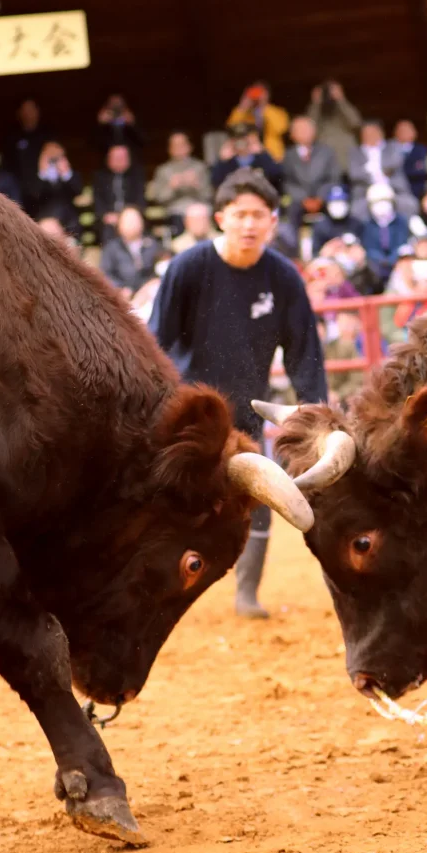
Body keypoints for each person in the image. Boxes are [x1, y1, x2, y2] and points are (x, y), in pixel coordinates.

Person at [149, 168, 327, 620]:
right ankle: (161, 590)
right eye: (240, 214)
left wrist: (314, 414)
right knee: (171, 501)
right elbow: (155, 341)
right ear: (220, 217)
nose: (249, 224)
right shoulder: (188, 268)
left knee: (256, 499)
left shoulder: (283, 277)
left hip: (248, 409)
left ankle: (247, 593)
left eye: (259, 215)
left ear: (272, 221)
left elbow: (304, 349)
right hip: (190, 413)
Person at [282, 116, 340, 233]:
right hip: (299, 201)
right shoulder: (288, 155)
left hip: (324, 199)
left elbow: (334, 177)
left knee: (338, 208)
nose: (304, 132)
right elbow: (287, 182)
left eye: (307, 128)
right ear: (292, 134)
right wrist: (304, 199)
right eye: (300, 129)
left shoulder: (326, 152)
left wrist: (320, 198)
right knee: (288, 211)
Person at [348, 121, 416, 221]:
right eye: (366, 134)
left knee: (410, 205)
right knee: (356, 210)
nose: (370, 136)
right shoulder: (355, 152)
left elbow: (395, 162)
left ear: (380, 133)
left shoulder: (392, 146)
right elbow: (354, 174)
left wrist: (372, 169)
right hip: (366, 191)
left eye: (373, 132)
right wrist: (376, 175)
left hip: (394, 189)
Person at [150, 132, 212, 234]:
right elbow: (159, 199)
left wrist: (196, 185)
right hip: (176, 212)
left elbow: (209, 195)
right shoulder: (163, 170)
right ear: (169, 149)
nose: (179, 148)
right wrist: (171, 187)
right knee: (177, 217)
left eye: (182, 144)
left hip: (199, 210)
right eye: (175, 145)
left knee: (201, 213)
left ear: (189, 147)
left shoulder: (200, 167)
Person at [99, 206, 161, 301]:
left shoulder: (152, 245)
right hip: (122, 296)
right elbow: (106, 274)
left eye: (135, 220)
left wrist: (148, 287)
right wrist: (120, 289)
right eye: (128, 221)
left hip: (149, 295)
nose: (132, 224)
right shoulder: (111, 248)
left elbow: (159, 270)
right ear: (119, 225)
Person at [3, 98, 56, 207]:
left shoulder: (48, 134)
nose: (28, 113)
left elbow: (57, 151)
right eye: (25, 110)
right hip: (21, 195)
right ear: (19, 113)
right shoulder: (12, 137)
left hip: (47, 193)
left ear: (38, 111)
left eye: (31, 109)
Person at [93, 145, 147, 242]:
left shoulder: (136, 176)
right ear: (108, 160)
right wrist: (106, 216)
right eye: (116, 158)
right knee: (107, 232)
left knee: (134, 226)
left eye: (123, 157)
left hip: (131, 216)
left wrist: (126, 216)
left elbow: (140, 200)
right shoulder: (100, 177)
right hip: (108, 219)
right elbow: (98, 201)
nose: (120, 160)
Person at [361, 182, 410, 287]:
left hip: (397, 262)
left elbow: (401, 243)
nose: (381, 206)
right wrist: (381, 260)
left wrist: (392, 260)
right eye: (376, 203)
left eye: (385, 202)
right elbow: (369, 248)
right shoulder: (368, 224)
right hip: (377, 265)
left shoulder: (401, 222)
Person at [306, 81, 362, 172]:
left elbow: (355, 122)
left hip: (346, 156)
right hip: (325, 157)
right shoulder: (317, 110)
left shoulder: (344, 108)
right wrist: (316, 103)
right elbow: (308, 128)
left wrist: (341, 100)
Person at [227, 81, 289, 161]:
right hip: (250, 156)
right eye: (254, 92)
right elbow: (231, 128)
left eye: (260, 91)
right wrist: (242, 106)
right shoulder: (245, 114)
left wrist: (264, 106)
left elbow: (281, 129)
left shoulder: (277, 112)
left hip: (273, 156)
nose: (257, 95)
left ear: (267, 94)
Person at [32, 142, 84, 236]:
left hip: (68, 222)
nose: (54, 160)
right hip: (45, 221)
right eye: (50, 157)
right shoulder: (38, 177)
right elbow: (35, 195)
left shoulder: (71, 175)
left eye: (57, 156)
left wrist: (66, 173)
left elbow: (78, 191)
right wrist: (42, 173)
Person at [211, 124, 283, 192]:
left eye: (244, 138)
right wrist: (221, 161)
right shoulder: (228, 161)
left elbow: (276, 175)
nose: (241, 142)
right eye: (237, 139)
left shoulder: (260, 158)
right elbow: (215, 181)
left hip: (261, 197)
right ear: (231, 141)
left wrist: (263, 154)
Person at [324, 311, 365, 409]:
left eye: (348, 322)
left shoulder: (364, 340)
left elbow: (357, 380)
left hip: (350, 395)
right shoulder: (331, 347)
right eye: (342, 323)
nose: (345, 326)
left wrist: (339, 394)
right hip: (333, 395)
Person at [311, 184, 363, 256]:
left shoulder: (356, 223)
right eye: (334, 203)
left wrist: (355, 243)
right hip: (328, 262)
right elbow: (315, 253)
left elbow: (365, 251)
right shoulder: (320, 226)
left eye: (341, 202)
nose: (338, 206)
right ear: (328, 206)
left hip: (352, 261)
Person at [394, 119, 427, 200]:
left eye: (407, 130)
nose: (403, 133)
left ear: (414, 133)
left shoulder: (421, 149)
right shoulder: (391, 150)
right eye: (400, 130)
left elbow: (420, 170)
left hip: (416, 191)